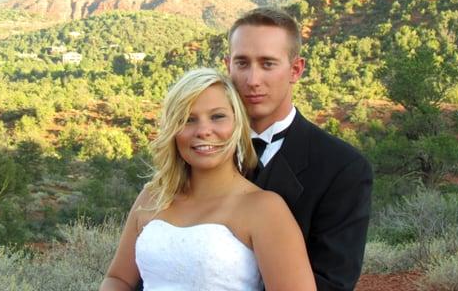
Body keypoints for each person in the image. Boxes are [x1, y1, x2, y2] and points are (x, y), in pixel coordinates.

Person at [100, 68, 316, 291]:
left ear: (237, 123)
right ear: (173, 130)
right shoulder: (153, 196)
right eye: (188, 119)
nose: (203, 130)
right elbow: (118, 279)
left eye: (217, 117)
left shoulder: (265, 209)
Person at [226, 8, 373, 291]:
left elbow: (332, 283)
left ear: (296, 69)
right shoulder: (198, 151)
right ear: (227, 65)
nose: (253, 80)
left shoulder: (343, 168)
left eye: (268, 64)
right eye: (242, 63)